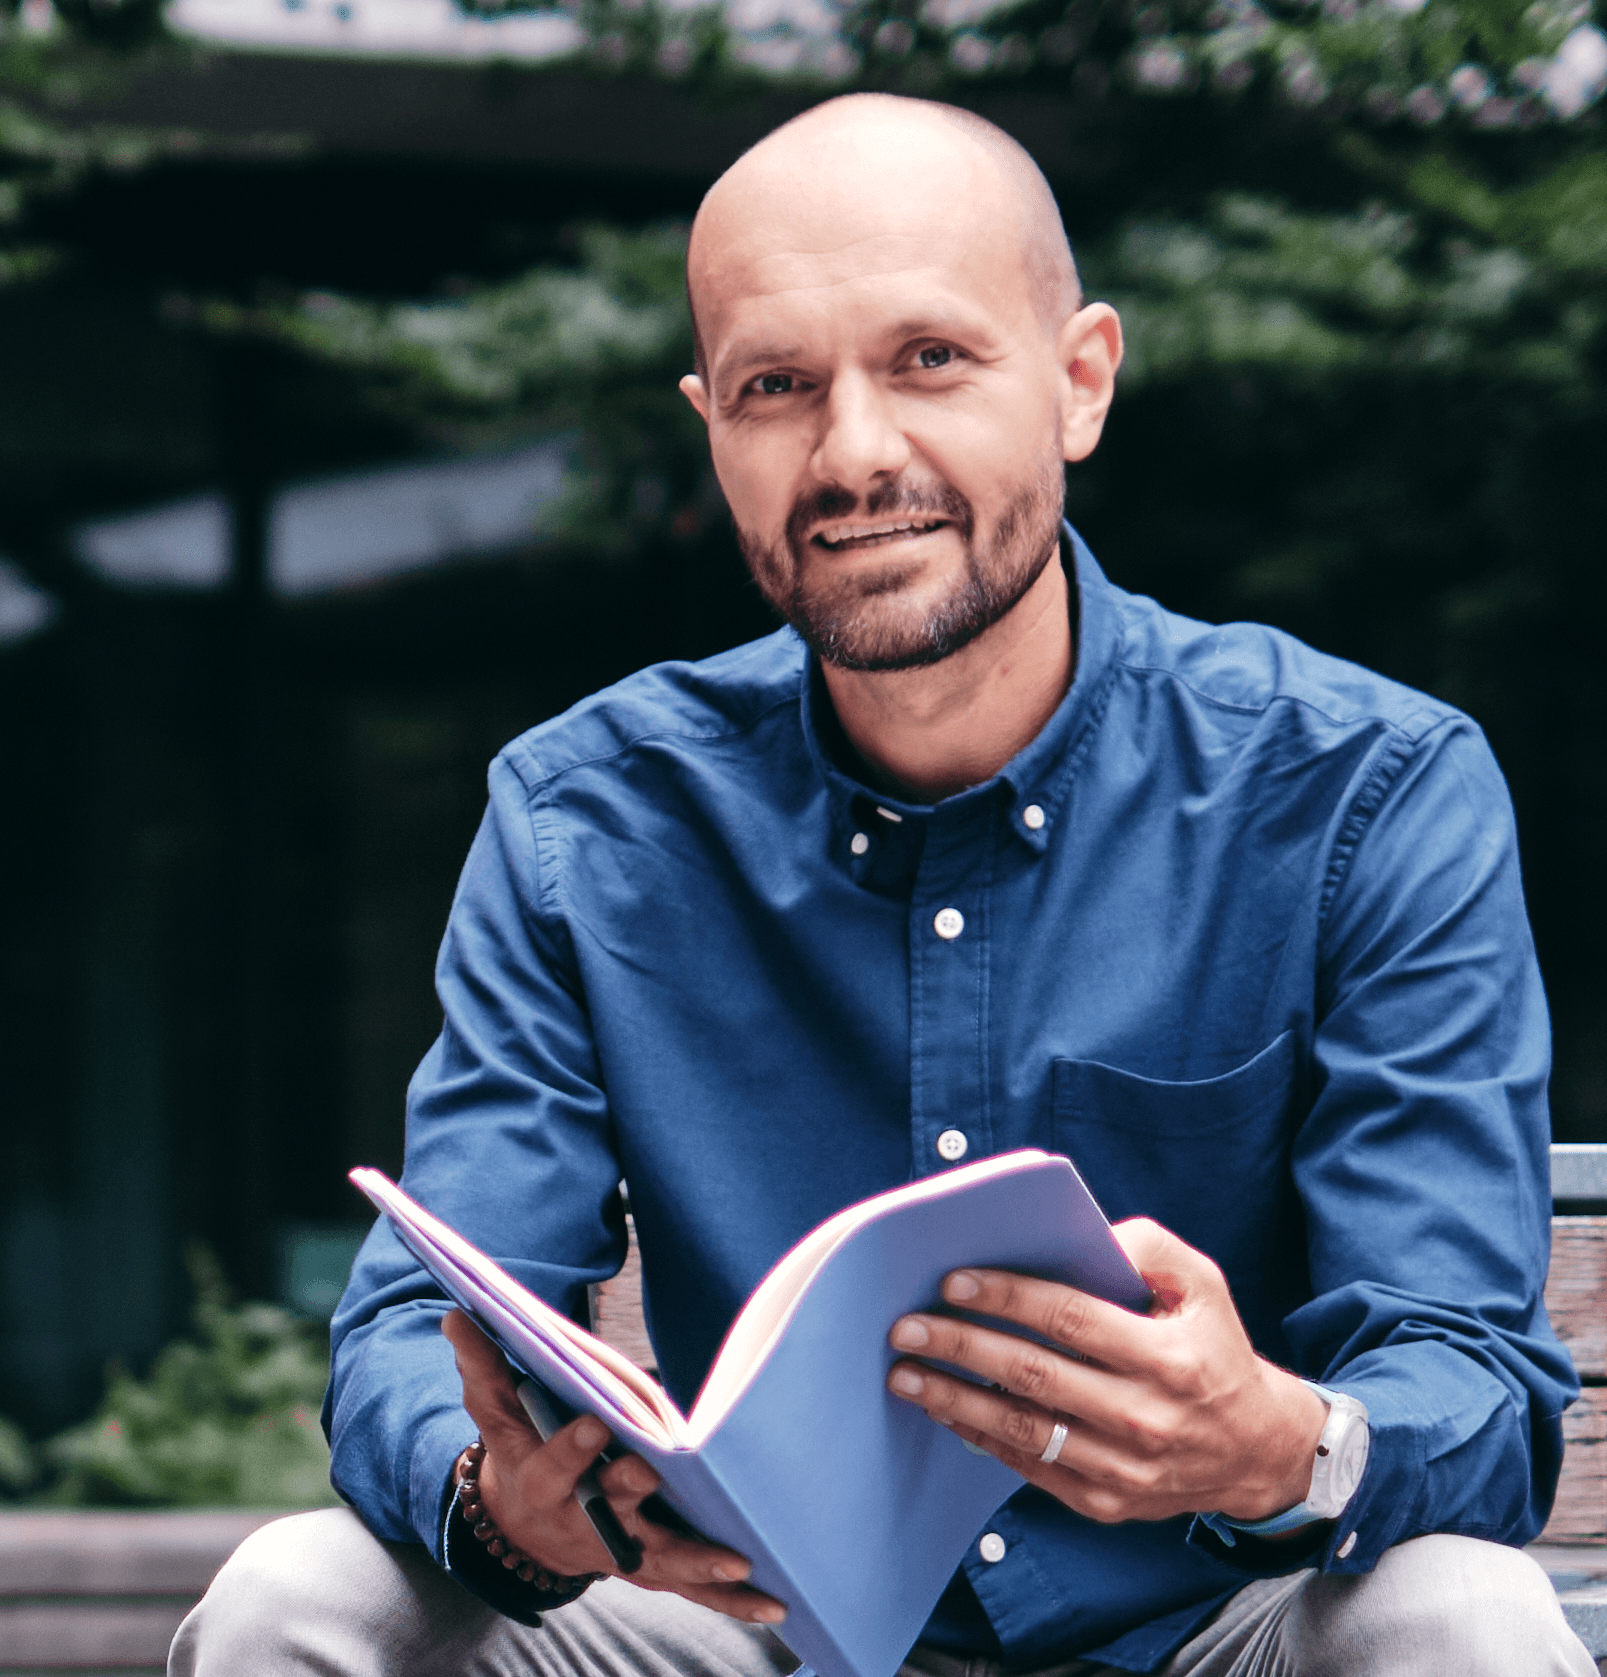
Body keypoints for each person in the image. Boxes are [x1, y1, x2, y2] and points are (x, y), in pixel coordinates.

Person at [169, 93, 1594, 1676]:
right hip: (749, 1637)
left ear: (1078, 382)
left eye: (929, 359)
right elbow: (410, 1328)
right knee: (302, 1598)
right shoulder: (585, 819)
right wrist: (502, 1500)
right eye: (778, 386)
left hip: (1206, 1635)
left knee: (1461, 1616)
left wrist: (1276, 1444)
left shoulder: (1360, 792)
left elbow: (1465, 1372)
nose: (853, 452)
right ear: (713, 423)